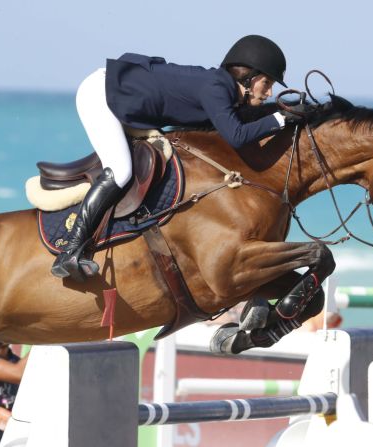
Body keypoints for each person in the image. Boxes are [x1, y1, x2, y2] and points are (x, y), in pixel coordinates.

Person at [51, 35, 306, 282]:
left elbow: (241, 121)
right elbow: (237, 136)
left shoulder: (223, 90)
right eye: (267, 83)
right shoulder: (216, 88)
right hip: (101, 95)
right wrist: (281, 119)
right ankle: (70, 252)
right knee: (121, 171)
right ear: (248, 78)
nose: (270, 92)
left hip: (124, 94)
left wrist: (287, 111)